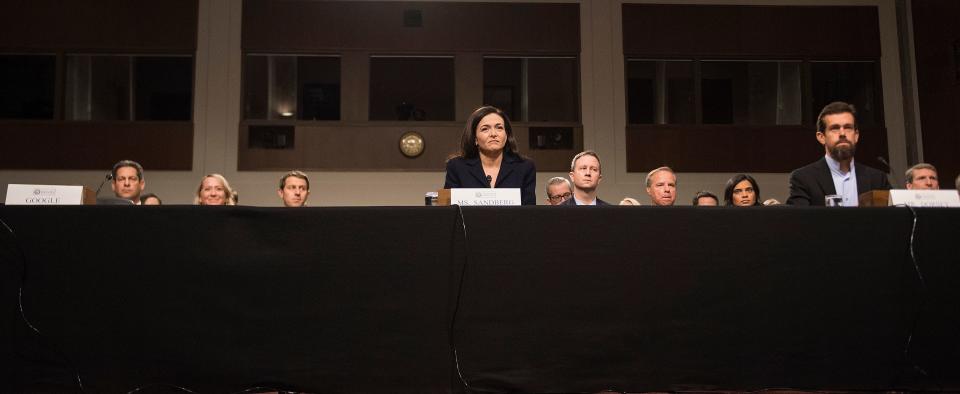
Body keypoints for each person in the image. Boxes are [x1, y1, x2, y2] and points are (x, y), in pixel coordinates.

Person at [787, 101, 891, 206]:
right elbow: (799, 219)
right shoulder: (803, 179)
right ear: (821, 137)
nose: (842, 133)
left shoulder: (877, 179)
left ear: (856, 135)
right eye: (835, 128)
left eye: (848, 127)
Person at [444, 106, 536, 205]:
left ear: (506, 135)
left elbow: (529, 211)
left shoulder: (525, 167)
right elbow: (450, 210)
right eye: (485, 129)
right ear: (474, 138)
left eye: (499, 128)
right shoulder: (456, 167)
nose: (493, 134)